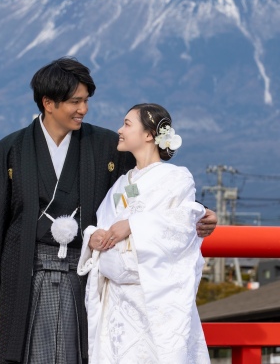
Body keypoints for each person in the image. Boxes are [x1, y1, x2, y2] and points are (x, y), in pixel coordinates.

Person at [0, 58, 216, 364]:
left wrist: (199, 211)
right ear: (48, 102)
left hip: (83, 274)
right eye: (75, 101)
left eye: (86, 101)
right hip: (25, 274)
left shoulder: (104, 146)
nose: (83, 109)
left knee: (81, 351)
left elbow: (152, 182)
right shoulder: (10, 150)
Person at [78, 103, 210, 364]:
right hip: (117, 301)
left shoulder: (176, 178)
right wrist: (93, 236)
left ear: (149, 135)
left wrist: (133, 225)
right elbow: (103, 223)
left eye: (127, 124)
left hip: (152, 296)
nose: (120, 130)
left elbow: (183, 225)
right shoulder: (122, 183)